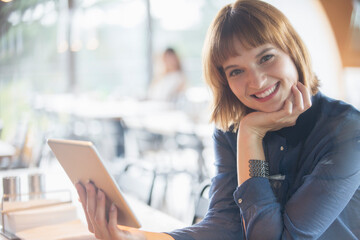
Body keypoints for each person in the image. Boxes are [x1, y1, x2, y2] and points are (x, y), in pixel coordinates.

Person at [75, 0, 360, 239]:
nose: (256, 81)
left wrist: (250, 134)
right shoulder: (231, 131)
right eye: (236, 71)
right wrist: (140, 237)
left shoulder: (346, 131)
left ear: (293, 52)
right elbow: (224, 224)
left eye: (266, 57)